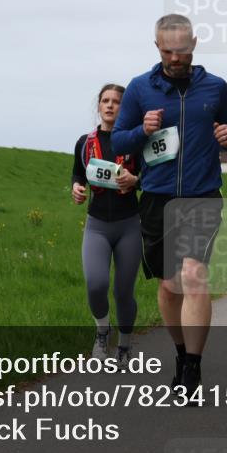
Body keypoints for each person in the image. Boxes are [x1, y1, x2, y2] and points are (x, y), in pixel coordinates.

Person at [112, 14, 227, 395]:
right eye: (168, 50)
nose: (175, 57)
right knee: (170, 286)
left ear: (194, 44)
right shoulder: (140, 89)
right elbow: (119, 141)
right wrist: (143, 130)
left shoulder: (215, 87)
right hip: (156, 198)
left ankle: (193, 368)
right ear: (157, 47)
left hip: (202, 197)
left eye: (182, 50)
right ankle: (181, 350)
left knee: (193, 276)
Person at [71, 84, 142, 366]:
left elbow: (149, 177)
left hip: (129, 225)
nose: (110, 105)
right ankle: (102, 331)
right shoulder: (85, 142)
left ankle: (124, 346)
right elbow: (78, 174)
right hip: (97, 225)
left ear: (125, 108)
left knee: (124, 291)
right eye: (105, 101)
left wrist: (135, 180)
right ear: (99, 106)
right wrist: (76, 188)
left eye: (117, 102)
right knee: (96, 284)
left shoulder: (136, 141)